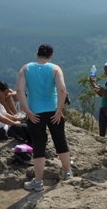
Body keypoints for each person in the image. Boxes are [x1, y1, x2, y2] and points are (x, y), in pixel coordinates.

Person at [16, 44, 72, 191]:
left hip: (35, 113)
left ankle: (38, 182)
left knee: (39, 146)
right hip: (54, 111)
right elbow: (61, 89)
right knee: (60, 141)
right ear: (51, 55)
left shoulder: (25, 68)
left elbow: (19, 90)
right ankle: (67, 173)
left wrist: (27, 110)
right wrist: (59, 110)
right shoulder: (55, 68)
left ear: (37, 54)